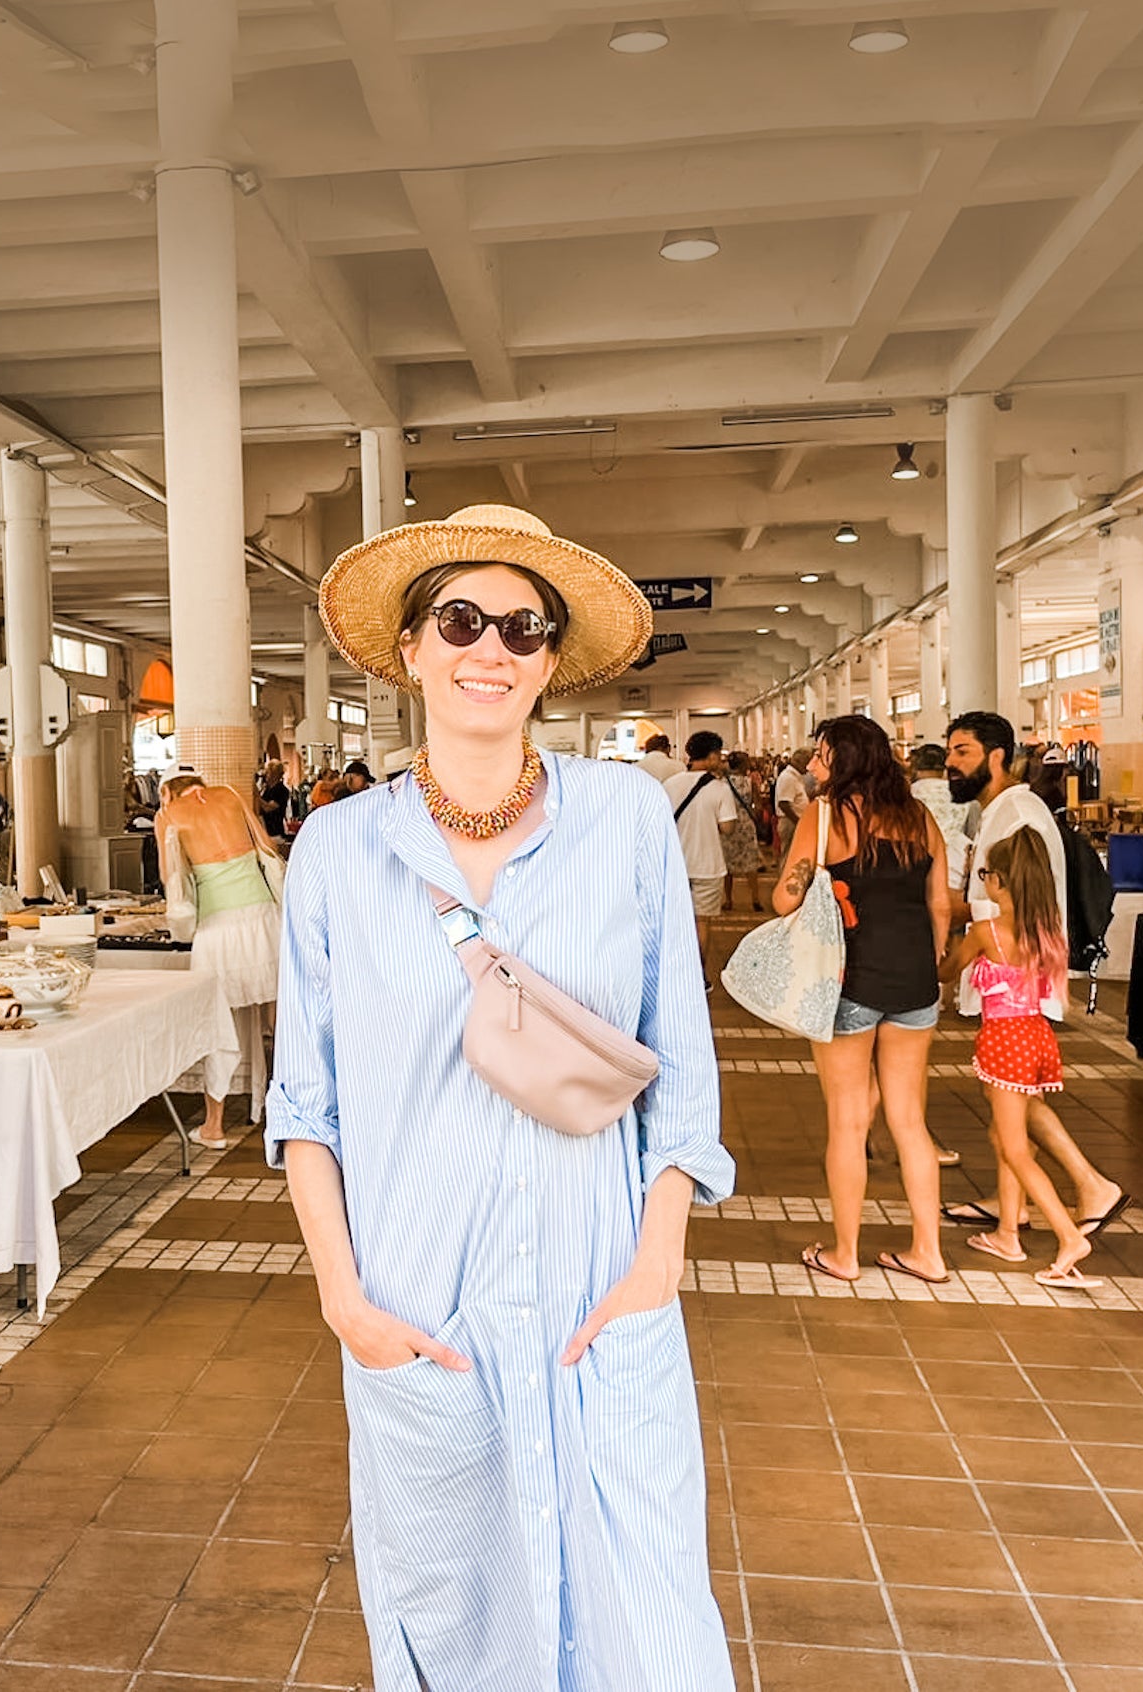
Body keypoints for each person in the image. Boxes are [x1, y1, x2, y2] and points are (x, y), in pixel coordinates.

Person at [270, 502, 734, 1688]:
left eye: (522, 628)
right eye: (460, 618)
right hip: (418, 1299)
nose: (490, 647)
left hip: (596, 1282)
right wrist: (344, 1303)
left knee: (642, 1612)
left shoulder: (623, 816)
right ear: (411, 648)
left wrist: (654, 1271)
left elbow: (677, 1053)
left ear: (548, 661)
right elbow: (304, 1103)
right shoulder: (336, 847)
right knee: (454, 1619)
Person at [941, 712, 1128, 1242]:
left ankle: (1091, 1187)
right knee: (1010, 1105)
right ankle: (1010, 1209)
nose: (952, 764)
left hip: (1019, 985)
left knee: (1018, 1107)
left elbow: (1013, 904)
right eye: (951, 752)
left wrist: (938, 907)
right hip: (1010, 982)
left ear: (997, 756)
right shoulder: (999, 811)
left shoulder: (1018, 812)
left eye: (963, 752)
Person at [778, 715, 950, 1284]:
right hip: (915, 984)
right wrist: (931, 963)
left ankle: (845, 1254)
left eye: (822, 754)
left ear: (843, 759)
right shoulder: (920, 818)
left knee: (848, 1123)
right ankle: (928, 1251)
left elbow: (785, 899)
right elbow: (940, 907)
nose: (813, 763)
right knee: (910, 1121)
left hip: (849, 983)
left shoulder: (825, 816)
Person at [941, 828, 1097, 1287]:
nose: (984, 880)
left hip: (1003, 1041)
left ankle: (1069, 1236)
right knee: (1007, 1134)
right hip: (1037, 1036)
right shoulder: (1046, 931)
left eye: (987, 873)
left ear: (1001, 882)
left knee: (1013, 1146)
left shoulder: (986, 932)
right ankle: (1007, 1232)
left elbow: (947, 971)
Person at [159, 772, 283, 1148]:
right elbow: (268, 850)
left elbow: (172, 878)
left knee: (217, 1024)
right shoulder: (230, 793)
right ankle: (294, 1110)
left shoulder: (169, 815)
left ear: (168, 792)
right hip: (263, 918)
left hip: (217, 928)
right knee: (283, 1022)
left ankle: (214, 1126)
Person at [668, 730, 747, 964]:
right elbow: (728, 828)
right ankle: (699, 975)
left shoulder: (669, 785)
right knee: (702, 922)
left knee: (676, 922)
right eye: (719, 756)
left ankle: (677, 971)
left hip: (674, 866)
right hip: (708, 867)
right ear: (712, 756)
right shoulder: (720, 788)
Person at [909, 741, 972, 893]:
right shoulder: (962, 795)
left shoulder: (907, 796)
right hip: (957, 866)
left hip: (918, 864)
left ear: (916, 767)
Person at [718, 749, 767, 914]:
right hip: (746, 824)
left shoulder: (722, 783)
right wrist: (753, 815)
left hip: (727, 823)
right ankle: (755, 899)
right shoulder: (749, 782)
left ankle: (728, 900)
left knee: (728, 865)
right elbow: (758, 805)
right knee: (750, 864)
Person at [774, 743, 812, 855]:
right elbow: (784, 804)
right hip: (790, 822)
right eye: (807, 763)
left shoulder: (795, 777)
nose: (809, 767)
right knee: (789, 855)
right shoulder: (788, 777)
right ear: (799, 762)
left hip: (793, 821)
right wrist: (798, 821)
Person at [256, 762, 290, 839]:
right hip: (264, 831)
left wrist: (256, 795)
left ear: (275, 775)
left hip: (275, 832)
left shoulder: (282, 791)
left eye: (268, 772)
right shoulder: (265, 789)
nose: (265, 775)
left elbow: (268, 808)